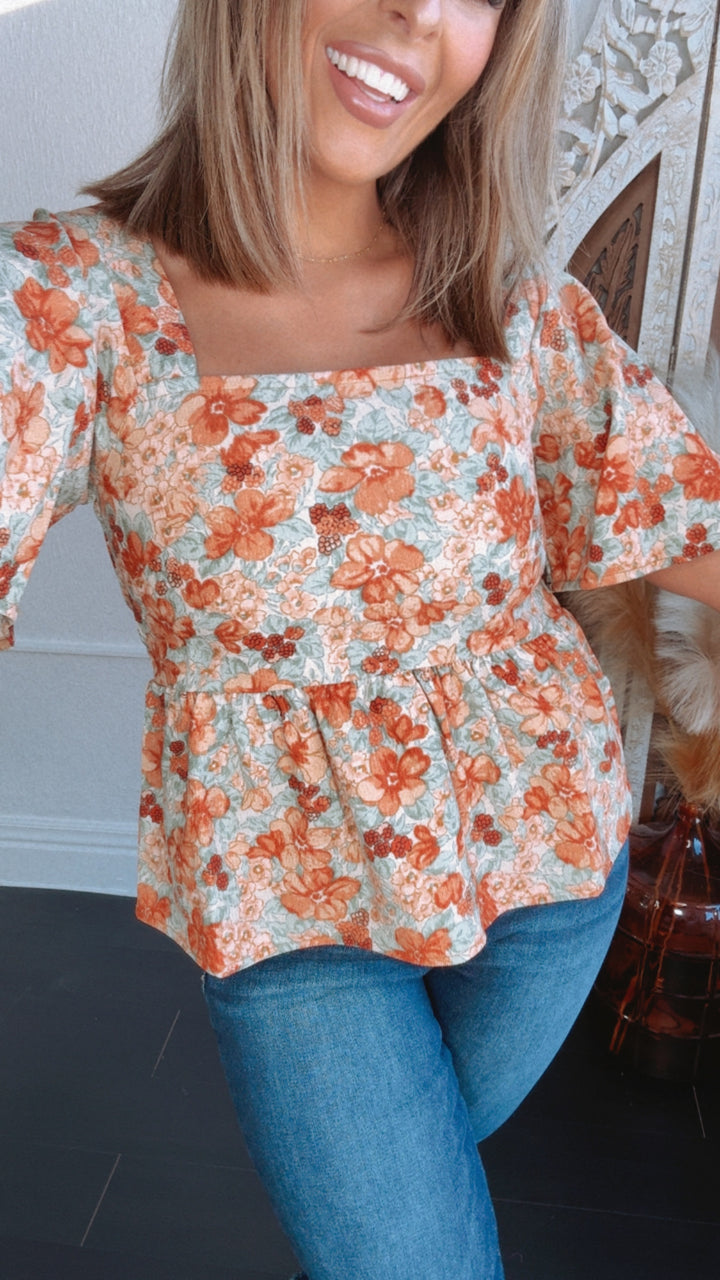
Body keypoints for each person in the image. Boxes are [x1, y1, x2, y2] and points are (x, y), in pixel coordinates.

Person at [2, 1, 720, 1277]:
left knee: (395, 1218)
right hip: (293, 913)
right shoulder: (73, 297)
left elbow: (678, 510)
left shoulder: (503, 291)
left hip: (552, 865)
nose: (419, 14)